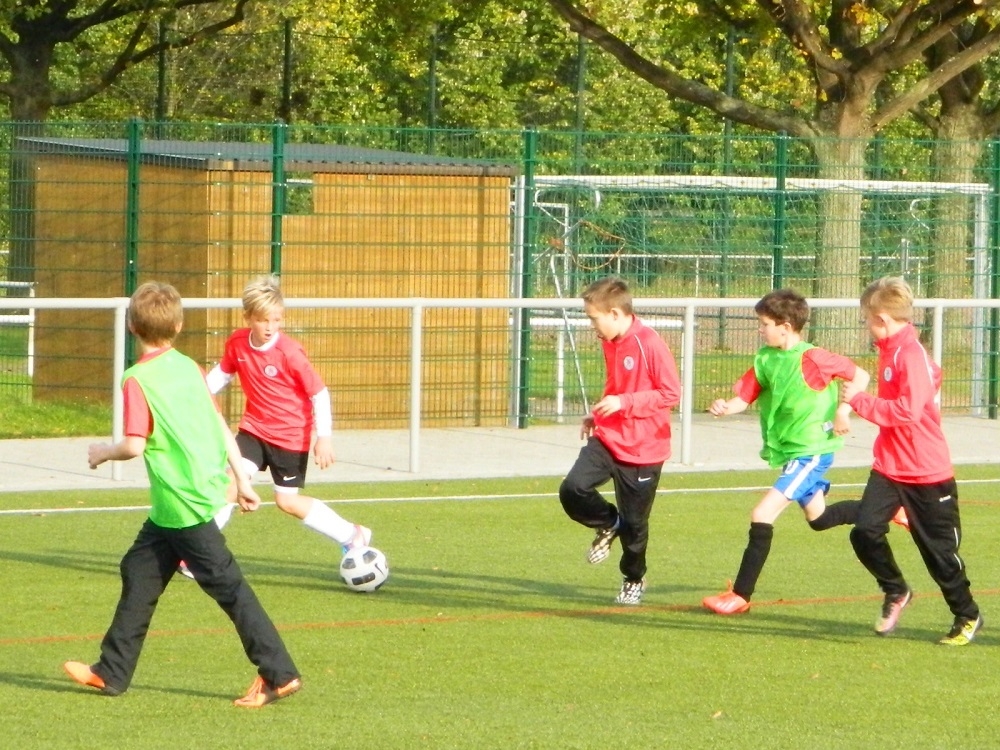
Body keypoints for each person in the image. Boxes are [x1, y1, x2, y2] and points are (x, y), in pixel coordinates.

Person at [63, 281, 301, 707]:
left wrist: (103, 452)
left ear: (132, 326)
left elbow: (134, 445)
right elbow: (220, 424)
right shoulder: (189, 367)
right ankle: (111, 671)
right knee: (139, 570)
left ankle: (278, 673)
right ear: (178, 325)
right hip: (179, 504)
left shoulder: (136, 378)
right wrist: (242, 479)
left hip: (183, 506)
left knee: (230, 589)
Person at [702, 289, 871, 615]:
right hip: (793, 452)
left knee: (762, 514)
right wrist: (726, 407)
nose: (760, 329)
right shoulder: (766, 358)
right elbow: (745, 397)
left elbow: (860, 375)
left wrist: (844, 411)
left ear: (786, 326)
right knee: (819, 519)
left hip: (812, 451)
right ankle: (888, 509)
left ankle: (740, 596)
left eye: (764, 324)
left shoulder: (814, 358)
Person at [842, 276, 983, 645]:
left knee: (939, 555)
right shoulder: (890, 349)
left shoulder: (909, 354)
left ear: (882, 318)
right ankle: (896, 589)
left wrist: (859, 400)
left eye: (867, 318)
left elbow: (907, 411)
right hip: (890, 466)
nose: (866, 325)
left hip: (926, 470)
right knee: (865, 531)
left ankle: (967, 614)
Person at [200, 275, 370, 558]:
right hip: (254, 430)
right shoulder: (237, 343)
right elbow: (223, 374)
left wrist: (324, 437)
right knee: (230, 483)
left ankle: (352, 534)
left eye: (276, 320)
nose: (270, 327)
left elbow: (319, 393)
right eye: (263, 320)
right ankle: (199, 553)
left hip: (289, 436)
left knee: (286, 501)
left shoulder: (289, 353)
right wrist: (197, 398)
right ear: (248, 317)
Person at [558, 277, 681, 605]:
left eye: (593, 318)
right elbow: (617, 383)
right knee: (573, 489)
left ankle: (634, 578)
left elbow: (670, 393)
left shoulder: (649, 343)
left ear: (614, 313)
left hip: (644, 449)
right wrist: (599, 412)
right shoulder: (610, 340)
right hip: (610, 437)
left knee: (635, 527)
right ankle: (608, 523)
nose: (592, 326)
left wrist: (624, 402)